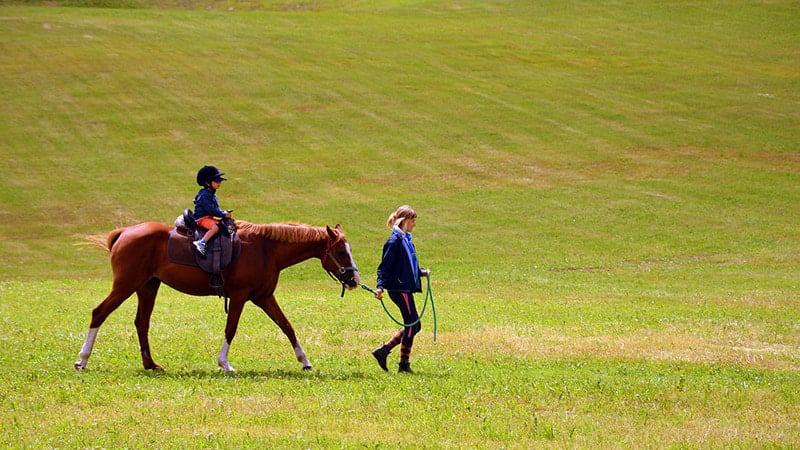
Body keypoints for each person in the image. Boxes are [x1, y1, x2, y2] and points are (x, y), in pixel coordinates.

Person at [371, 205, 431, 374]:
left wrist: (421, 272)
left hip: (405, 287)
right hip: (399, 289)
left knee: (413, 324)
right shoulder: (394, 242)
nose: (414, 224)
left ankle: (385, 353)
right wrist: (380, 287)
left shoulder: (406, 240)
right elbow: (384, 267)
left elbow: (407, 267)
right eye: (413, 221)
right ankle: (401, 363)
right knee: (413, 325)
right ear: (405, 221)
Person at [192, 165, 232, 256]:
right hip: (201, 219)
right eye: (216, 181)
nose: (219, 183)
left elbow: (215, 209)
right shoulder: (204, 195)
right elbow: (211, 209)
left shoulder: (212, 195)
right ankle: (202, 242)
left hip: (208, 217)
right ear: (207, 183)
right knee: (215, 228)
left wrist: (224, 212)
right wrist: (223, 214)